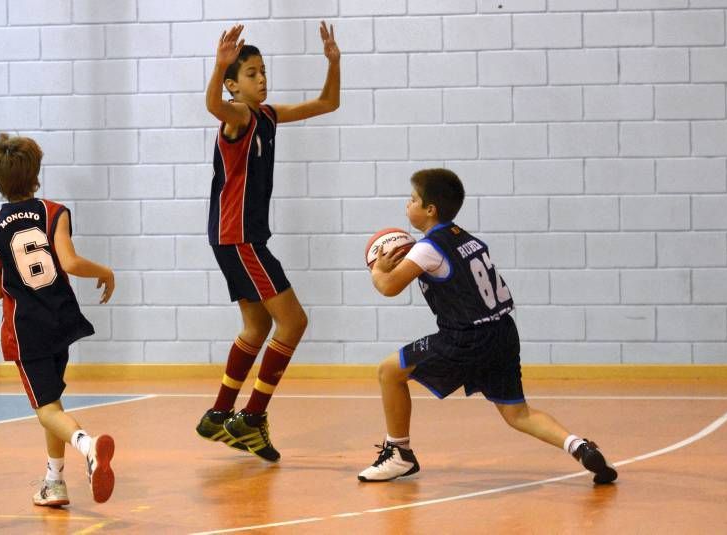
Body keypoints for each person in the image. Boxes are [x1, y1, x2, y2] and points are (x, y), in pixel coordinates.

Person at [357, 168, 618, 485]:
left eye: (412, 199)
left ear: (430, 209)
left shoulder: (428, 248)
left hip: (465, 338)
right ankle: (579, 446)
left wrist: (378, 269)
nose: (406, 205)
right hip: (502, 332)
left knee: (388, 372)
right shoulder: (467, 239)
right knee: (517, 413)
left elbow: (388, 287)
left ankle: (399, 453)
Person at [195, 22, 340, 462]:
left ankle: (220, 414)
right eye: (252, 73)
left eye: (263, 71)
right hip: (239, 237)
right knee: (293, 323)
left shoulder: (268, 115)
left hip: (237, 237)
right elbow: (212, 105)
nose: (261, 79)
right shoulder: (238, 115)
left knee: (257, 327)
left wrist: (333, 63)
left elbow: (328, 103)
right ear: (234, 85)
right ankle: (251, 418)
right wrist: (218, 68)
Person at [0, 133, 117, 506]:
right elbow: (70, 262)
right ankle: (54, 481)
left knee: (46, 409)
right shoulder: (54, 212)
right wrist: (105, 270)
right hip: (60, 322)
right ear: (36, 174)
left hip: (26, 330)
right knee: (52, 401)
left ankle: (87, 448)